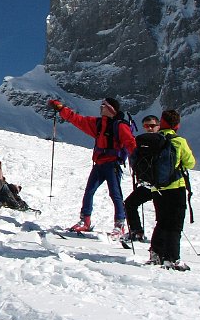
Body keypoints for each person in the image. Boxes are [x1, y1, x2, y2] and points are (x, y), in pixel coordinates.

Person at [48, 97, 136, 237]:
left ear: (112, 109)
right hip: (100, 164)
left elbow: (130, 142)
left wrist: (136, 160)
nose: (101, 107)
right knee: (89, 191)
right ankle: (85, 221)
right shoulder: (99, 123)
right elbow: (77, 119)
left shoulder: (120, 126)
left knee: (115, 194)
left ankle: (119, 224)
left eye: (104, 106)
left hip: (112, 164)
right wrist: (61, 109)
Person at [146, 109, 196, 271]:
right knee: (174, 224)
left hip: (156, 187)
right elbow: (190, 163)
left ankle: (155, 254)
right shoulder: (178, 141)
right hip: (175, 188)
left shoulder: (154, 139)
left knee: (161, 221)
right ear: (177, 125)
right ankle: (172, 258)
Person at [122, 114, 161, 242]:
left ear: (158, 126)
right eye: (146, 126)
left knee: (160, 212)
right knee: (129, 204)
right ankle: (136, 231)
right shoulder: (142, 141)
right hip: (150, 183)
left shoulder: (162, 142)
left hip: (160, 184)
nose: (149, 128)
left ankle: (156, 238)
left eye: (152, 126)